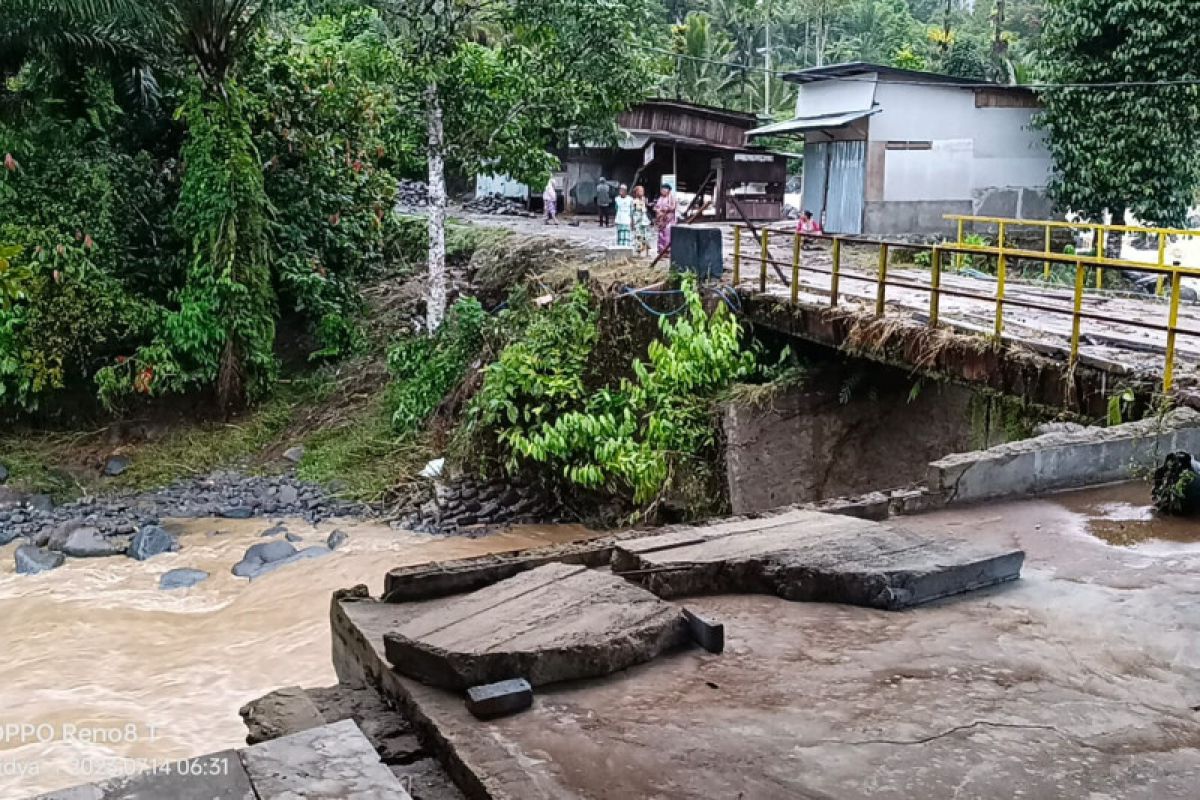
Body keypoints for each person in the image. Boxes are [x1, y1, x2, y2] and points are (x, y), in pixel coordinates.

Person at [654, 183, 677, 254]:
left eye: (665, 189)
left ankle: (667, 250)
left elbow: (673, 207)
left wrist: (666, 208)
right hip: (661, 219)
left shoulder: (671, 198)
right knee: (661, 235)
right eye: (662, 189)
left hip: (668, 219)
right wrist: (657, 210)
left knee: (667, 234)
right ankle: (661, 250)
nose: (663, 190)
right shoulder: (660, 198)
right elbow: (656, 207)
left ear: (669, 190)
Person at [632, 185, 652, 256]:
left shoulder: (644, 199)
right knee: (639, 236)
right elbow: (632, 212)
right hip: (638, 221)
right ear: (636, 192)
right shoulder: (634, 201)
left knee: (646, 236)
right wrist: (632, 222)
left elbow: (646, 208)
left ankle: (647, 252)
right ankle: (639, 253)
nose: (642, 192)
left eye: (642, 191)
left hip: (645, 221)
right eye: (640, 191)